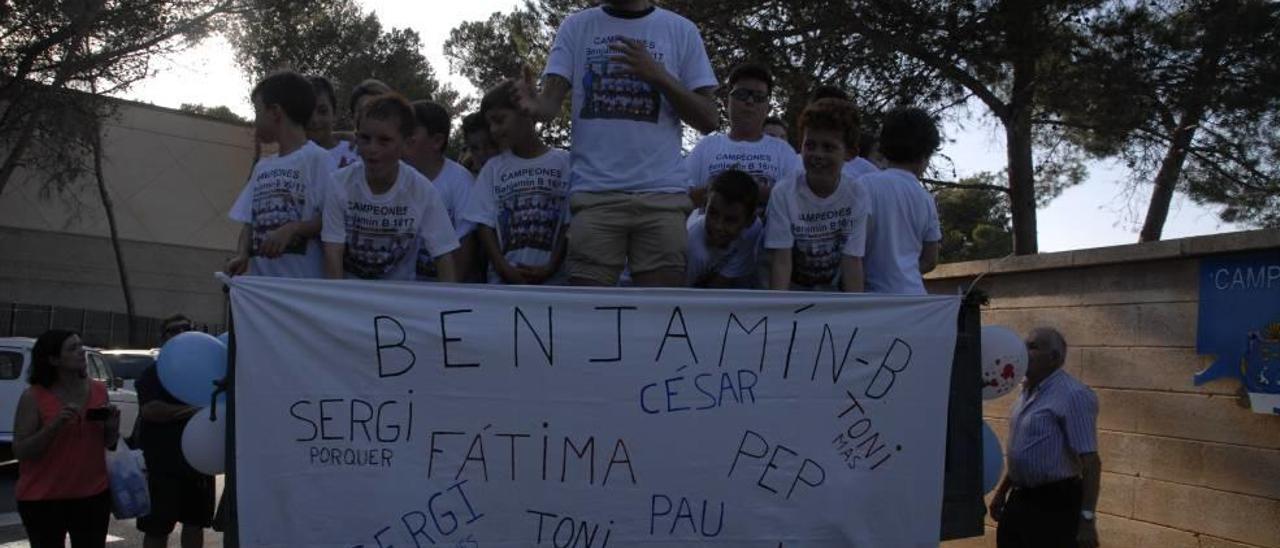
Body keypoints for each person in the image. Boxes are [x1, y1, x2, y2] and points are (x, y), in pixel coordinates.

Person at [516, 0, 719, 288]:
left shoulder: (681, 30)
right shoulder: (576, 26)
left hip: (662, 198)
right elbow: (549, 106)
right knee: (589, 319)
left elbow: (709, 119)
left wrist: (659, 76)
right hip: (595, 196)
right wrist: (534, 107)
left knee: (659, 318)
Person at [322, 93, 460, 281]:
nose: (372, 148)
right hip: (351, 298)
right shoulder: (339, 184)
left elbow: (444, 256)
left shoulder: (422, 190)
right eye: (365, 138)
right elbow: (333, 254)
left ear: (405, 143)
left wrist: (447, 306)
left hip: (400, 302)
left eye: (384, 140)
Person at [990, 327, 1101, 548]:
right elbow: (1023, 451)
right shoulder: (1025, 392)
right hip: (1020, 498)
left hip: (1055, 503)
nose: (1023, 351)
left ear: (1054, 358)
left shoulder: (1073, 395)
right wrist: (1002, 492)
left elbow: (1091, 463)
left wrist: (1087, 519)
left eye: (1032, 347)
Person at [12, 330, 118, 548]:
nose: (82, 352)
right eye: (72, 348)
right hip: (43, 498)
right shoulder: (34, 396)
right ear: (53, 359)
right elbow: (22, 450)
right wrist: (54, 425)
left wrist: (111, 426)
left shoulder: (98, 390)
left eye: (80, 345)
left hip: (92, 495)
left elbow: (108, 444)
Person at [462, 80, 571, 285]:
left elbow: (569, 224)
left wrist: (551, 267)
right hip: (504, 287)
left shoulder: (565, 163)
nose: (494, 130)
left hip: (556, 285)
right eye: (490, 124)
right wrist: (503, 267)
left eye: (500, 120)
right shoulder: (492, 169)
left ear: (525, 112)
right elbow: (484, 226)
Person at [226, 70, 333, 279]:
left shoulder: (319, 159)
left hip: (300, 288)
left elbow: (331, 218)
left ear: (275, 112)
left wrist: (293, 229)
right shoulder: (262, 167)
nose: (255, 122)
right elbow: (249, 222)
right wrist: (242, 254)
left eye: (257, 112)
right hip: (263, 289)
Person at [764, 98, 869, 292]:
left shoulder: (857, 194)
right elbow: (780, 261)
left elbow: (852, 261)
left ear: (850, 153)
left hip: (829, 293)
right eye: (810, 145)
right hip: (790, 288)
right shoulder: (784, 192)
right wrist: (778, 311)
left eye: (828, 147)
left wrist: (856, 315)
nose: (818, 154)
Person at [134, 315, 213, 548]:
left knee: (195, 524)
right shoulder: (153, 373)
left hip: (199, 463)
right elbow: (151, 410)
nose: (180, 333)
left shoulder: (205, 370)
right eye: (173, 330)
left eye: (185, 329)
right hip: (162, 464)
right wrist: (194, 410)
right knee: (157, 527)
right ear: (164, 337)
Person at [684, 63, 798, 214]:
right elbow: (683, 197)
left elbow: (797, 199)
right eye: (742, 94)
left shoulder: (783, 151)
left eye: (759, 97)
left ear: (768, 108)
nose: (749, 102)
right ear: (726, 103)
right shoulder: (705, 147)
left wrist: (743, 190)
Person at [862, 107, 943, 295]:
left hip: (870, 297)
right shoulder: (926, 199)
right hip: (913, 298)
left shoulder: (863, 186)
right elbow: (930, 260)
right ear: (925, 155)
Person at [403, 100, 478, 281]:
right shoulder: (396, 178)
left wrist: (446, 298)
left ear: (437, 141)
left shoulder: (461, 181)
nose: (403, 137)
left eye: (410, 131)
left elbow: (465, 246)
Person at [686, 169, 762, 288]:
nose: (718, 226)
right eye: (713, 213)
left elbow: (723, 282)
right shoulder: (692, 246)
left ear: (749, 221)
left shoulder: (753, 231)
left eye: (730, 220)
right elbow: (680, 295)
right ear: (704, 205)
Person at [305, 75, 352, 172]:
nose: (314, 120)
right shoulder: (291, 161)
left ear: (334, 114)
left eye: (322, 111)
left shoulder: (355, 150)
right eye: (307, 111)